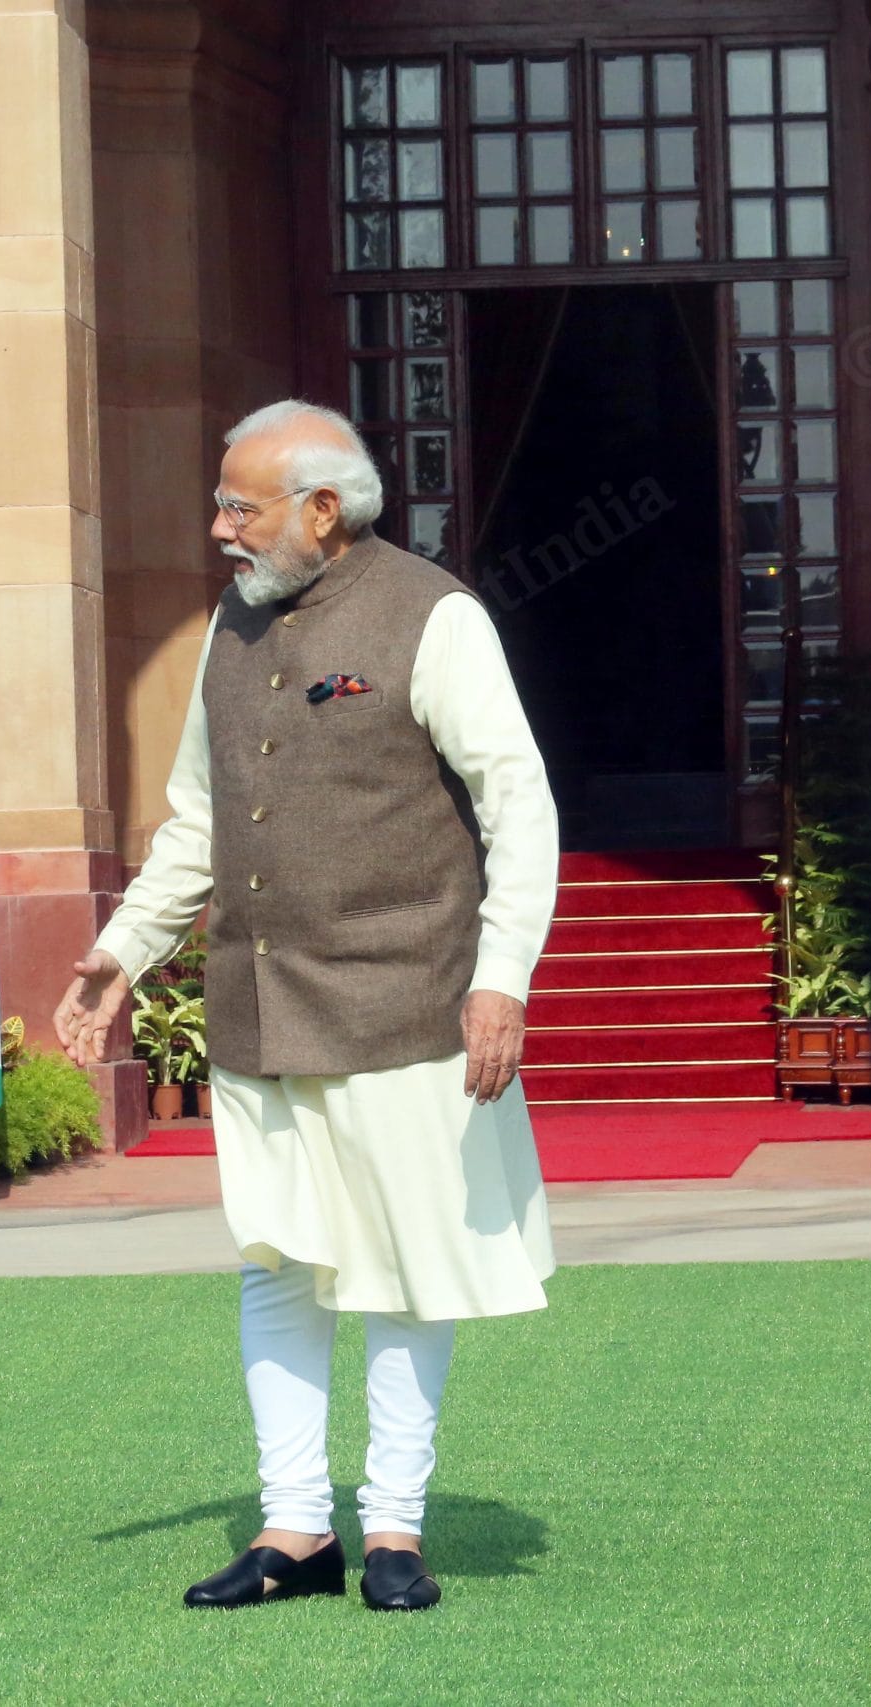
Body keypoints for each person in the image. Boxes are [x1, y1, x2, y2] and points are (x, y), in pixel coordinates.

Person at [56, 399, 558, 1613]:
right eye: (221, 502)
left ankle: (391, 1530)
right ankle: (295, 1530)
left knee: (397, 1273)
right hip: (260, 1010)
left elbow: (519, 803)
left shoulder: (433, 615)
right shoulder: (230, 627)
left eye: (242, 504)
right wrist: (121, 953)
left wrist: (501, 978)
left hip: (406, 1008)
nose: (219, 526)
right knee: (278, 1269)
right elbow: (198, 819)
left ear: (322, 511)